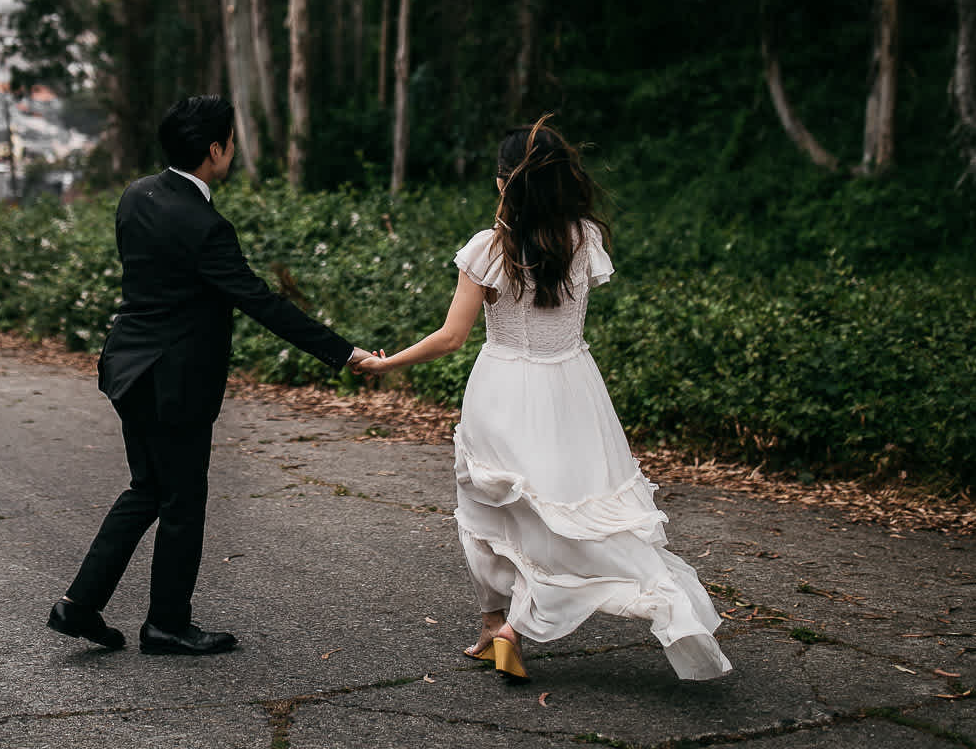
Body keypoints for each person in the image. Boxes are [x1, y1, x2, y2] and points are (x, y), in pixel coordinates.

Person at [355, 116, 731, 682]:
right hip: (572, 388)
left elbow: (453, 337)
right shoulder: (584, 238)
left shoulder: (489, 248)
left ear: (506, 182)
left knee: (489, 509)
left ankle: (497, 626)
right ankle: (511, 629)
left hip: (502, 389)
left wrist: (389, 363)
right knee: (565, 514)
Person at [49, 95, 380, 656]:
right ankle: (167, 625)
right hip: (175, 383)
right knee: (181, 501)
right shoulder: (205, 224)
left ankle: (79, 605)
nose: (233, 149)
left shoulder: (137, 195)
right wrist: (344, 352)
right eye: (230, 140)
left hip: (128, 369)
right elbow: (260, 302)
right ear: (214, 149)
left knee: (148, 489)